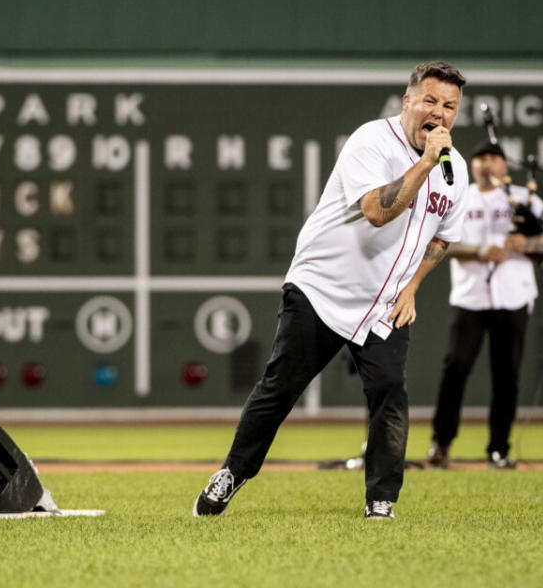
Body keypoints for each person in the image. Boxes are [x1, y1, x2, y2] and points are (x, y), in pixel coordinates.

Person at [193, 61, 470, 520]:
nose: (438, 114)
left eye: (449, 106)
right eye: (429, 101)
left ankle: (381, 500)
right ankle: (233, 473)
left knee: (390, 392)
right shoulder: (371, 141)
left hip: (384, 304)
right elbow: (378, 212)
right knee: (279, 388)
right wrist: (424, 164)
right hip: (322, 288)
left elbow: (443, 237)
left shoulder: (455, 170)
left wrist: (413, 285)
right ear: (407, 101)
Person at [425, 141, 543, 470]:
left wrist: (527, 242)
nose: (486, 164)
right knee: (455, 368)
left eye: (493, 158)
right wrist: (479, 251)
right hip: (471, 296)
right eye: (480, 159)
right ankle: (441, 444)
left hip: (512, 294)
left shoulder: (522, 197)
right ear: (472, 166)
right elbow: (439, 244)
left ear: (505, 165)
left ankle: (499, 449)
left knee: (507, 374)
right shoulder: (458, 196)